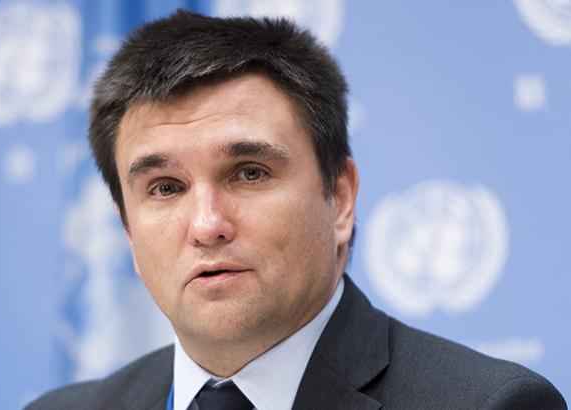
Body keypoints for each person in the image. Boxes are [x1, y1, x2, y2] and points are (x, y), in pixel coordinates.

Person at [28, 10, 567, 410]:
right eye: (166, 188)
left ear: (341, 198)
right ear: (127, 229)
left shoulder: (489, 404)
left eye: (249, 173)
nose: (207, 225)